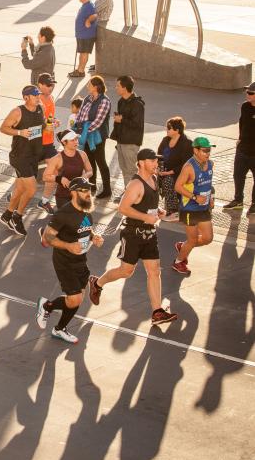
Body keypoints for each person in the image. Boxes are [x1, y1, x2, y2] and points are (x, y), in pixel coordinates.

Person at [89, 148, 178, 326]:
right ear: (142, 162)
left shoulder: (153, 179)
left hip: (149, 234)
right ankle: (97, 283)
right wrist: (146, 217)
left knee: (154, 271)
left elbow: (146, 204)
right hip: (133, 234)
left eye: (156, 160)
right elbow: (123, 208)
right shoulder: (135, 185)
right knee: (126, 271)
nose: (156, 163)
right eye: (153, 161)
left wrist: (157, 211)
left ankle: (157, 312)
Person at [36, 177, 104, 344]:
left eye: (89, 190)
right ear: (73, 192)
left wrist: (94, 237)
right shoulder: (63, 214)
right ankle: (50, 313)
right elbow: (47, 238)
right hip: (64, 260)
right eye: (84, 190)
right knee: (74, 299)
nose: (88, 193)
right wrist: (68, 245)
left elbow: (86, 230)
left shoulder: (86, 210)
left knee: (77, 298)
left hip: (80, 259)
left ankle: (55, 320)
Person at [0, 85, 45, 237]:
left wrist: (50, 126)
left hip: (34, 155)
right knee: (31, 189)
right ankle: (17, 217)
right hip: (20, 156)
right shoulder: (17, 112)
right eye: (35, 95)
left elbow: (42, 126)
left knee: (19, 189)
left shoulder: (40, 108)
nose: (38, 97)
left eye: (38, 94)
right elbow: (3, 128)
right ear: (26, 98)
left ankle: (7, 215)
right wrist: (20, 132)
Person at [173, 136, 215, 275]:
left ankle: (183, 246)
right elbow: (177, 187)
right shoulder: (189, 168)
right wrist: (195, 197)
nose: (208, 153)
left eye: (209, 150)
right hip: (190, 209)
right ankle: (178, 262)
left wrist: (211, 197)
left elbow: (209, 183)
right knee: (192, 240)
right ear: (195, 150)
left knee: (208, 238)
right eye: (204, 150)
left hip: (203, 208)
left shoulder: (210, 164)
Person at [75, 75, 112, 198]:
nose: (87, 86)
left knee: (100, 161)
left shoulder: (104, 101)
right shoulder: (87, 98)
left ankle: (107, 190)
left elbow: (98, 121)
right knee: (89, 161)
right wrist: (78, 128)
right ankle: (92, 185)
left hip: (97, 136)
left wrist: (85, 130)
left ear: (96, 87)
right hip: (85, 134)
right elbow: (80, 115)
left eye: (89, 84)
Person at [223, 82, 255, 216]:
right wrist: (239, 139)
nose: (247, 94)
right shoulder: (245, 106)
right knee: (238, 176)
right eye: (247, 92)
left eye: (251, 93)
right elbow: (242, 123)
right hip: (242, 150)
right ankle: (238, 200)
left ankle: (254, 204)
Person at [110, 75, 145, 191]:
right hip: (121, 140)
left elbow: (137, 124)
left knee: (131, 170)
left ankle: (135, 195)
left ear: (125, 88)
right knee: (125, 169)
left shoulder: (137, 104)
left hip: (131, 142)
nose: (116, 88)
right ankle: (128, 192)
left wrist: (121, 119)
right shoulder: (121, 101)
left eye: (118, 86)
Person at [43, 129, 93, 210]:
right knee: (67, 220)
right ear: (64, 142)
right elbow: (45, 177)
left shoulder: (82, 154)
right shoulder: (57, 159)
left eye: (76, 139)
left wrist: (85, 176)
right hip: (63, 197)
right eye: (72, 140)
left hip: (80, 195)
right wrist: (59, 179)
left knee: (81, 221)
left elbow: (90, 171)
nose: (76, 142)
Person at [156, 116, 193, 220]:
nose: (166, 129)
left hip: (180, 173)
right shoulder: (165, 140)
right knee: (151, 179)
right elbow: (159, 156)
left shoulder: (187, 143)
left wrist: (169, 172)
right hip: (165, 170)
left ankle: (172, 211)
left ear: (177, 130)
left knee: (168, 181)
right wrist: (158, 168)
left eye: (169, 128)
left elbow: (186, 164)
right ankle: (154, 207)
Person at [36, 73, 60, 214]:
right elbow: (32, 122)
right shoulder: (35, 100)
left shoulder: (50, 98)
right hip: (36, 143)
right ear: (40, 84)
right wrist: (46, 125)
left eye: (52, 85)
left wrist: (54, 121)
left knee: (55, 171)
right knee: (28, 178)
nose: (51, 88)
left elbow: (49, 118)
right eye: (48, 85)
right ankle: (15, 195)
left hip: (48, 142)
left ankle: (44, 201)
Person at [68, 0, 96, 78]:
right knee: (82, 53)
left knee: (84, 53)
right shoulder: (85, 5)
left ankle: (81, 71)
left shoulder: (90, 6)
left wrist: (88, 21)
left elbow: (95, 15)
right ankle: (79, 69)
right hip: (82, 34)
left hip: (87, 35)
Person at [88, 0, 114, 71]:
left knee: (100, 45)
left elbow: (95, 9)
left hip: (101, 23)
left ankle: (100, 65)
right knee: (98, 45)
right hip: (98, 22)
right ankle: (97, 64)